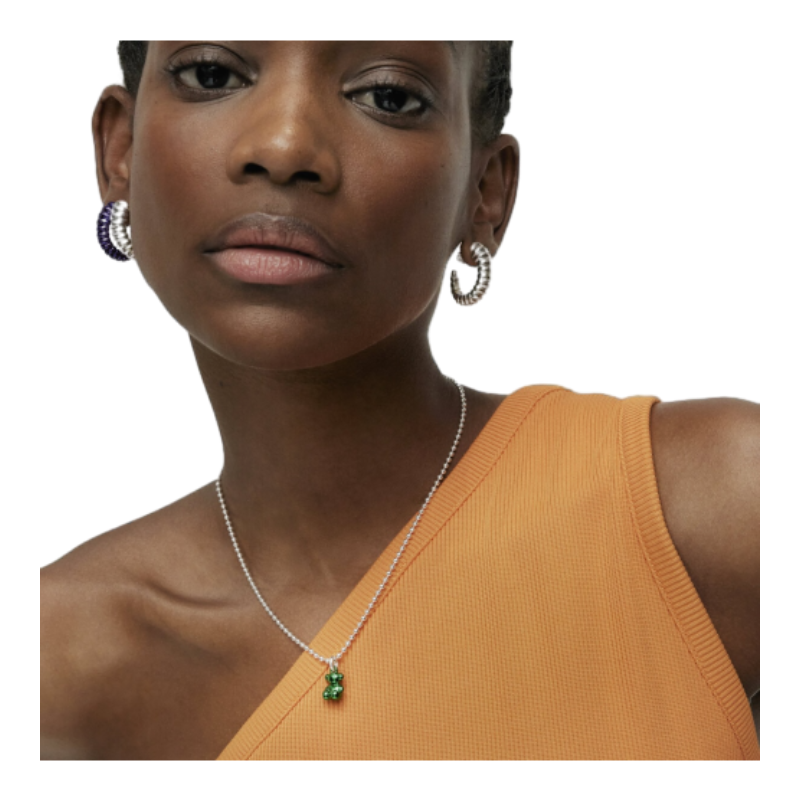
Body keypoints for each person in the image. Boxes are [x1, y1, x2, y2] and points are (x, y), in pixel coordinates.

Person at [40, 41, 759, 761]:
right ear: (118, 148)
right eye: (212, 74)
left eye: (388, 96)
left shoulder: (710, 501)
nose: (284, 147)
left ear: (487, 194)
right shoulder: (62, 656)